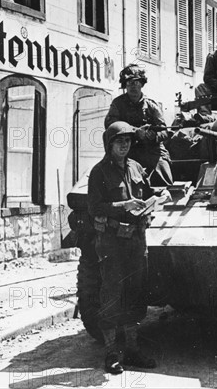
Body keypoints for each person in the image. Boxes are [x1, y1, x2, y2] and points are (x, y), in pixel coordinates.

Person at [87, 121, 168, 374]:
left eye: (129, 141)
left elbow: (148, 191)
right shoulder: (99, 172)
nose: (125, 145)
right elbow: (94, 208)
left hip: (136, 240)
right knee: (112, 294)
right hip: (112, 240)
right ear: (109, 144)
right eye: (120, 141)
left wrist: (160, 196)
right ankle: (111, 353)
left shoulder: (136, 167)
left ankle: (132, 350)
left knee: (135, 293)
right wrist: (123, 206)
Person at [104, 64, 174, 186]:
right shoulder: (118, 104)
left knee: (163, 172)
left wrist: (153, 136)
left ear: (142, 84)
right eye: (130, 83)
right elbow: (110, 126)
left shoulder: (151, 106)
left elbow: (164, 131)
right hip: (128, 148)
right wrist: (135, 132)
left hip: (152, 150)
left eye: (136, 83)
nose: (133, 87)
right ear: (125, 85)